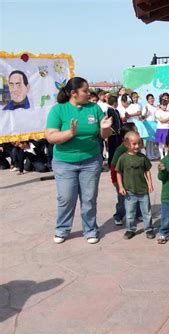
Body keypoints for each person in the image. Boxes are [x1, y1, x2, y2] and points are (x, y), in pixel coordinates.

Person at [45, 77, 113, 244]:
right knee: (66, 198)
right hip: (64, 163)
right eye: (85, 91)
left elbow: (103, 136)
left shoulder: (94, 108)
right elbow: (51, 136)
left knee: (89, 198)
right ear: (73, 93)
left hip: (91, 161)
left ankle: (90, 229)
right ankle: (62, 229)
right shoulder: (58, 110)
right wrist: (70, 133)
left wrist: (105, 129)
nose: (89, 93)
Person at [116, 131, 154, 240]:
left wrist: (150, 184)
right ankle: (130, 229)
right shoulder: (123, 158)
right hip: (129, 191)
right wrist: (121, 187)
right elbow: (118, 172)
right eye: (134, 144)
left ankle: (149, 229)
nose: (137, 146)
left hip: (143, 190)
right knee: (130, 212)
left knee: (147, 211)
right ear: (127, 144)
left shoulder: (142, 158)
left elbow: (147, 171)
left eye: (139, 143)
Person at [109, 123, 141, 226]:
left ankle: (138, 214)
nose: (137, 134)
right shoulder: (121, 149)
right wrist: (115, 181)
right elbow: (113, 165)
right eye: (135, 132)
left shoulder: (137, 145)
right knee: (123, 200)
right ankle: (118, 216)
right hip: (122, 181)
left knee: (138, 197)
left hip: (134, 179)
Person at [106, 95, 123, 167]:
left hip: (118, 133)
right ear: (115, 103)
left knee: (118, 148)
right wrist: (114, 129)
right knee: (112, 149)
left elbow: (119, 121)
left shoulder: (116, 111)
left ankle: (118, 162)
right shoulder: (109, 110)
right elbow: (110, 121)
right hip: (112, 133)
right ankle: (111, 164)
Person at [142, 94, 159, 160]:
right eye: (149, 99)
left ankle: (152, 154)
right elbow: (143, 116)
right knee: (149, 140)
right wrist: (146, 111)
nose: (151, 100)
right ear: (147, 100)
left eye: (152, 98)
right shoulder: (146, 106)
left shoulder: (155, 107)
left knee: (153, 141)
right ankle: (148, 155)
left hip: (154, 124)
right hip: (148, 124)